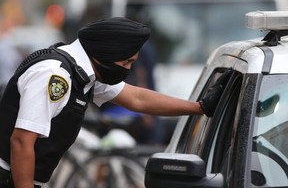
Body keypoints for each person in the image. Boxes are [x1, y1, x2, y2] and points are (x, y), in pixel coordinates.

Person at [0, 17, 231, 188]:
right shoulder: (56, 76)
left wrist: (199, 107)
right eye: (126, 62)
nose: (129, 70)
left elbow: (138, 98)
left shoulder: (84, 73)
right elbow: (21, 142)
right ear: (105, 54)